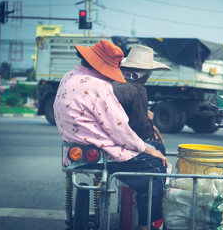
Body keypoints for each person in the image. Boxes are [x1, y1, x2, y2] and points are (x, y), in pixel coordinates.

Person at [53, 39, 168, 230]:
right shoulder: (99, 86)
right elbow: (119, 128)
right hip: (103, 150)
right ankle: (145, 225)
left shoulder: (69, 76)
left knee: (154, 154)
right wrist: (148, 149)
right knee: (157, 166)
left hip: (74, 144)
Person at [112, 44, 171, 153]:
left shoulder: (110, 82)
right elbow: (141, 132)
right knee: (159, 149)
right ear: (145, 75)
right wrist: (149, 119)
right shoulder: (138, 90)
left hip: (104, 138)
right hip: (118, 145)